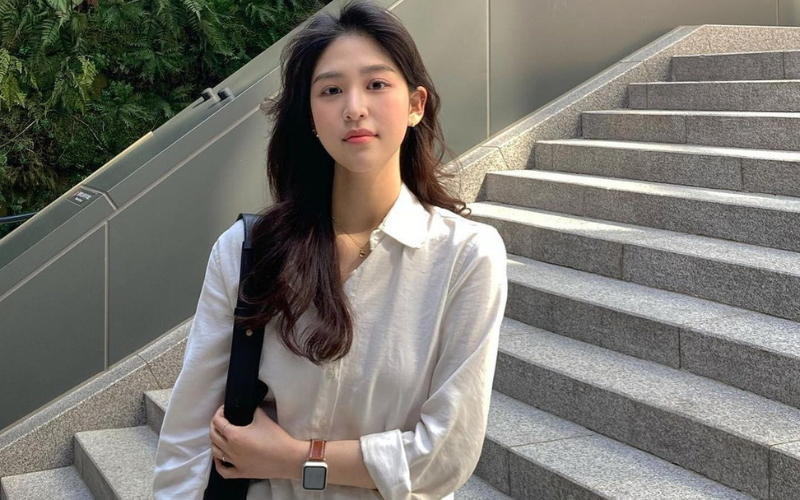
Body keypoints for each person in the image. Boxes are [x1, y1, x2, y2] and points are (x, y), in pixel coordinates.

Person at [151, 0, 508, 498]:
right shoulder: (249, 250)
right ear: (311, 117)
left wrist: (290, 458)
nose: (354, 107)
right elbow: (188, 434)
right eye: (331, 90)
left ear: (416, 105)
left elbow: (445, 455)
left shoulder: (466, 256)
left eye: (376, 84)